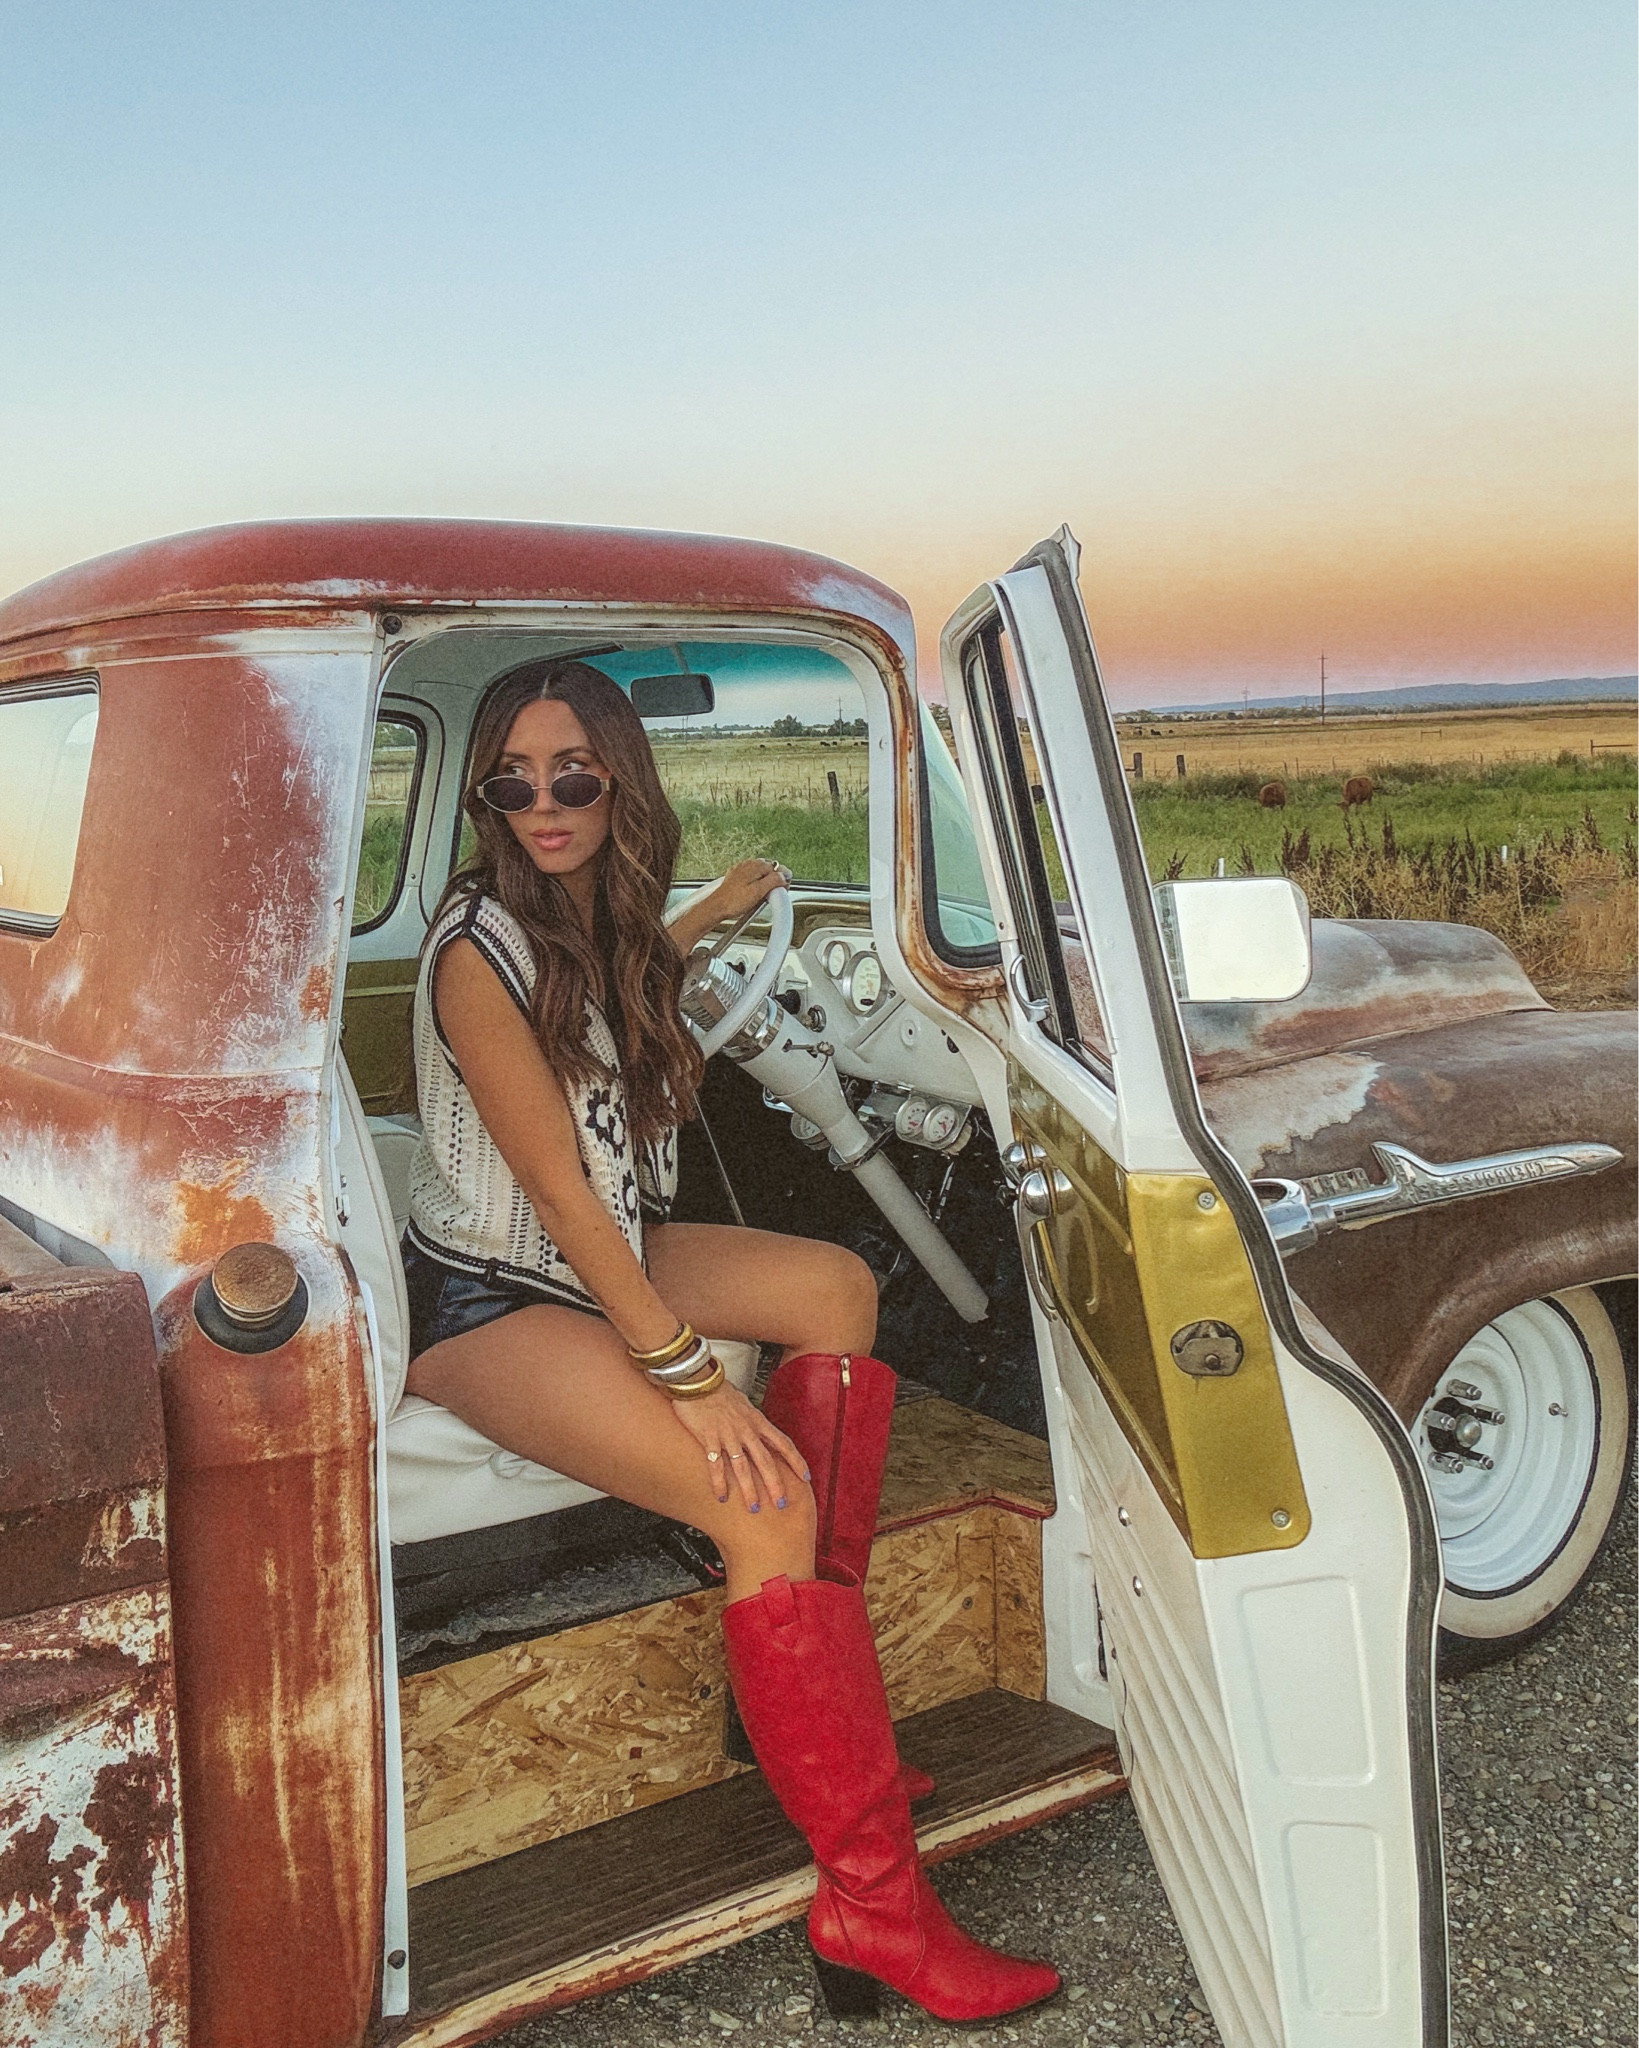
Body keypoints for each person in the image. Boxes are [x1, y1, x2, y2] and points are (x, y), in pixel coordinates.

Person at [400, 657, 1060, 2023]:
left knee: (836, 1290)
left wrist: (720, 911)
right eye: (512, 783)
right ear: (485, 800)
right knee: (761, 1501)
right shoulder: (477, 952)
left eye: (573, 776)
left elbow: (631, 979)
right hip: (494, 1293)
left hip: (594, 1254)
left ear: (619, 781)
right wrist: (689, 1378)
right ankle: (872, 1907)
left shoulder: (591, 910)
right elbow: (560, 1198)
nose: (543, 804)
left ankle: (804, 1722)